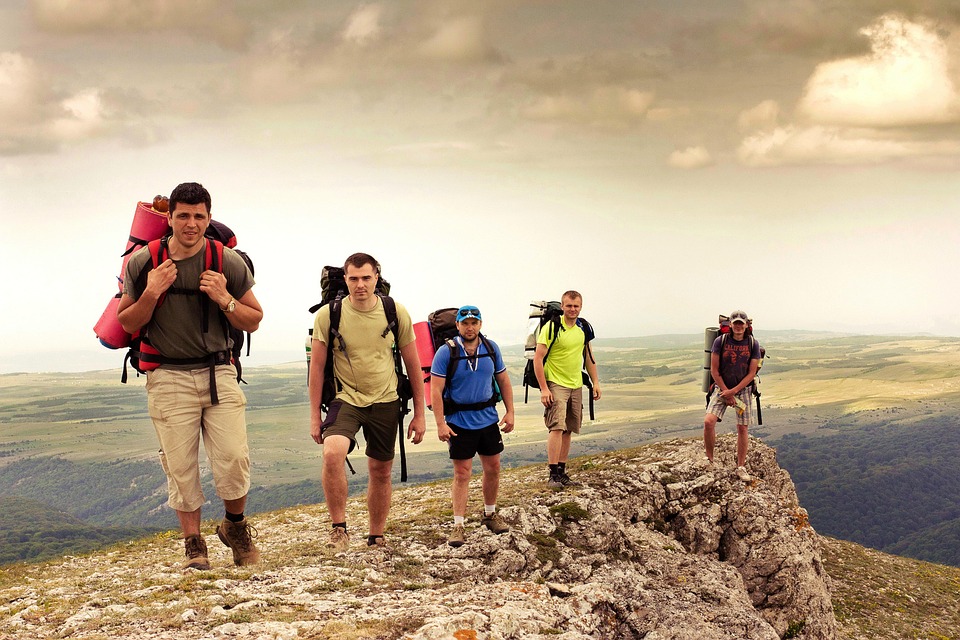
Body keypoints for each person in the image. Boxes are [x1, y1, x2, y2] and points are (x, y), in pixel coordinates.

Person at [117, 182, 263, 570]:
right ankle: (194, 545)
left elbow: (254, 318)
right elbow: (127, 321)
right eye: (183, 215)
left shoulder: (225, 260)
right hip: (167, 375)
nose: (191, 224)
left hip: (218, 371)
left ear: (209, 218)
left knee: (233, 457)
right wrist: (152, 292)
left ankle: (235, 527)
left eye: (199, 216)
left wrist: (224, 299)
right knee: (180, 466)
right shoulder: (144, 263)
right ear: (169, 218)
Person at [308, 253, 426, 551]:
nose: (360, 284)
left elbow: (413, 365)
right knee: (332, 454)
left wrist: (420, 414)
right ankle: (339, 529)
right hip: (345, 398)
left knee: (381, 470)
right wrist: (314, 416)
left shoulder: (395, 311)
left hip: (387, 400)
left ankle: (376, 536)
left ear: (377, 278)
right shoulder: (328, 315)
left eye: (366, 278)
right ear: (345, 279)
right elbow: (316, 369)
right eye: (353, 279)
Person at [431, 306, 515, 547]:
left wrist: (510, 411)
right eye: (465, 323)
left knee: (493, 467)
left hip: (488, 418)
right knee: (462, 473)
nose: (470, 327)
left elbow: (503, 380)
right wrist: (440, 423)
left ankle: (490, 514)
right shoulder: (446, 352)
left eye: (474, 323)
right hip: (458, 422)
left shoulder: (491, 348)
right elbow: (435, 389)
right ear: (457, 325)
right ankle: (458, 525)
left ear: (480, 324)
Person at [532, 290, 600, 488]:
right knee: (557, 427)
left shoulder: (583, 328)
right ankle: (553, 474)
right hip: (556, 383)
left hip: (576, 384)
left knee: (569, 428)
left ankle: (562, 472)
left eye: (576, 306)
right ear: (562, 306)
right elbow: (538, 358)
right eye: (569, 305)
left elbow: (588, 357)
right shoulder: (552, 327)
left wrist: (595, 382)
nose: (572, 309)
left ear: (581, 307)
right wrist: (544, 389)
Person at [703, 310, 762, 481]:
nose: (738, 326)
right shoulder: (720, 341)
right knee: (708, 422)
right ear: (730, 324)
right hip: (722, 388)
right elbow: (714, 370)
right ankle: (709, 460)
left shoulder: (753, 344)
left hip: (743, 390)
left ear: (746, 325)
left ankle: (741, 467)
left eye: (740, 323)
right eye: (735, 323)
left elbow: (751, 373)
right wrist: (726, 392)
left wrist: (733, 391)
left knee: (742, 428)